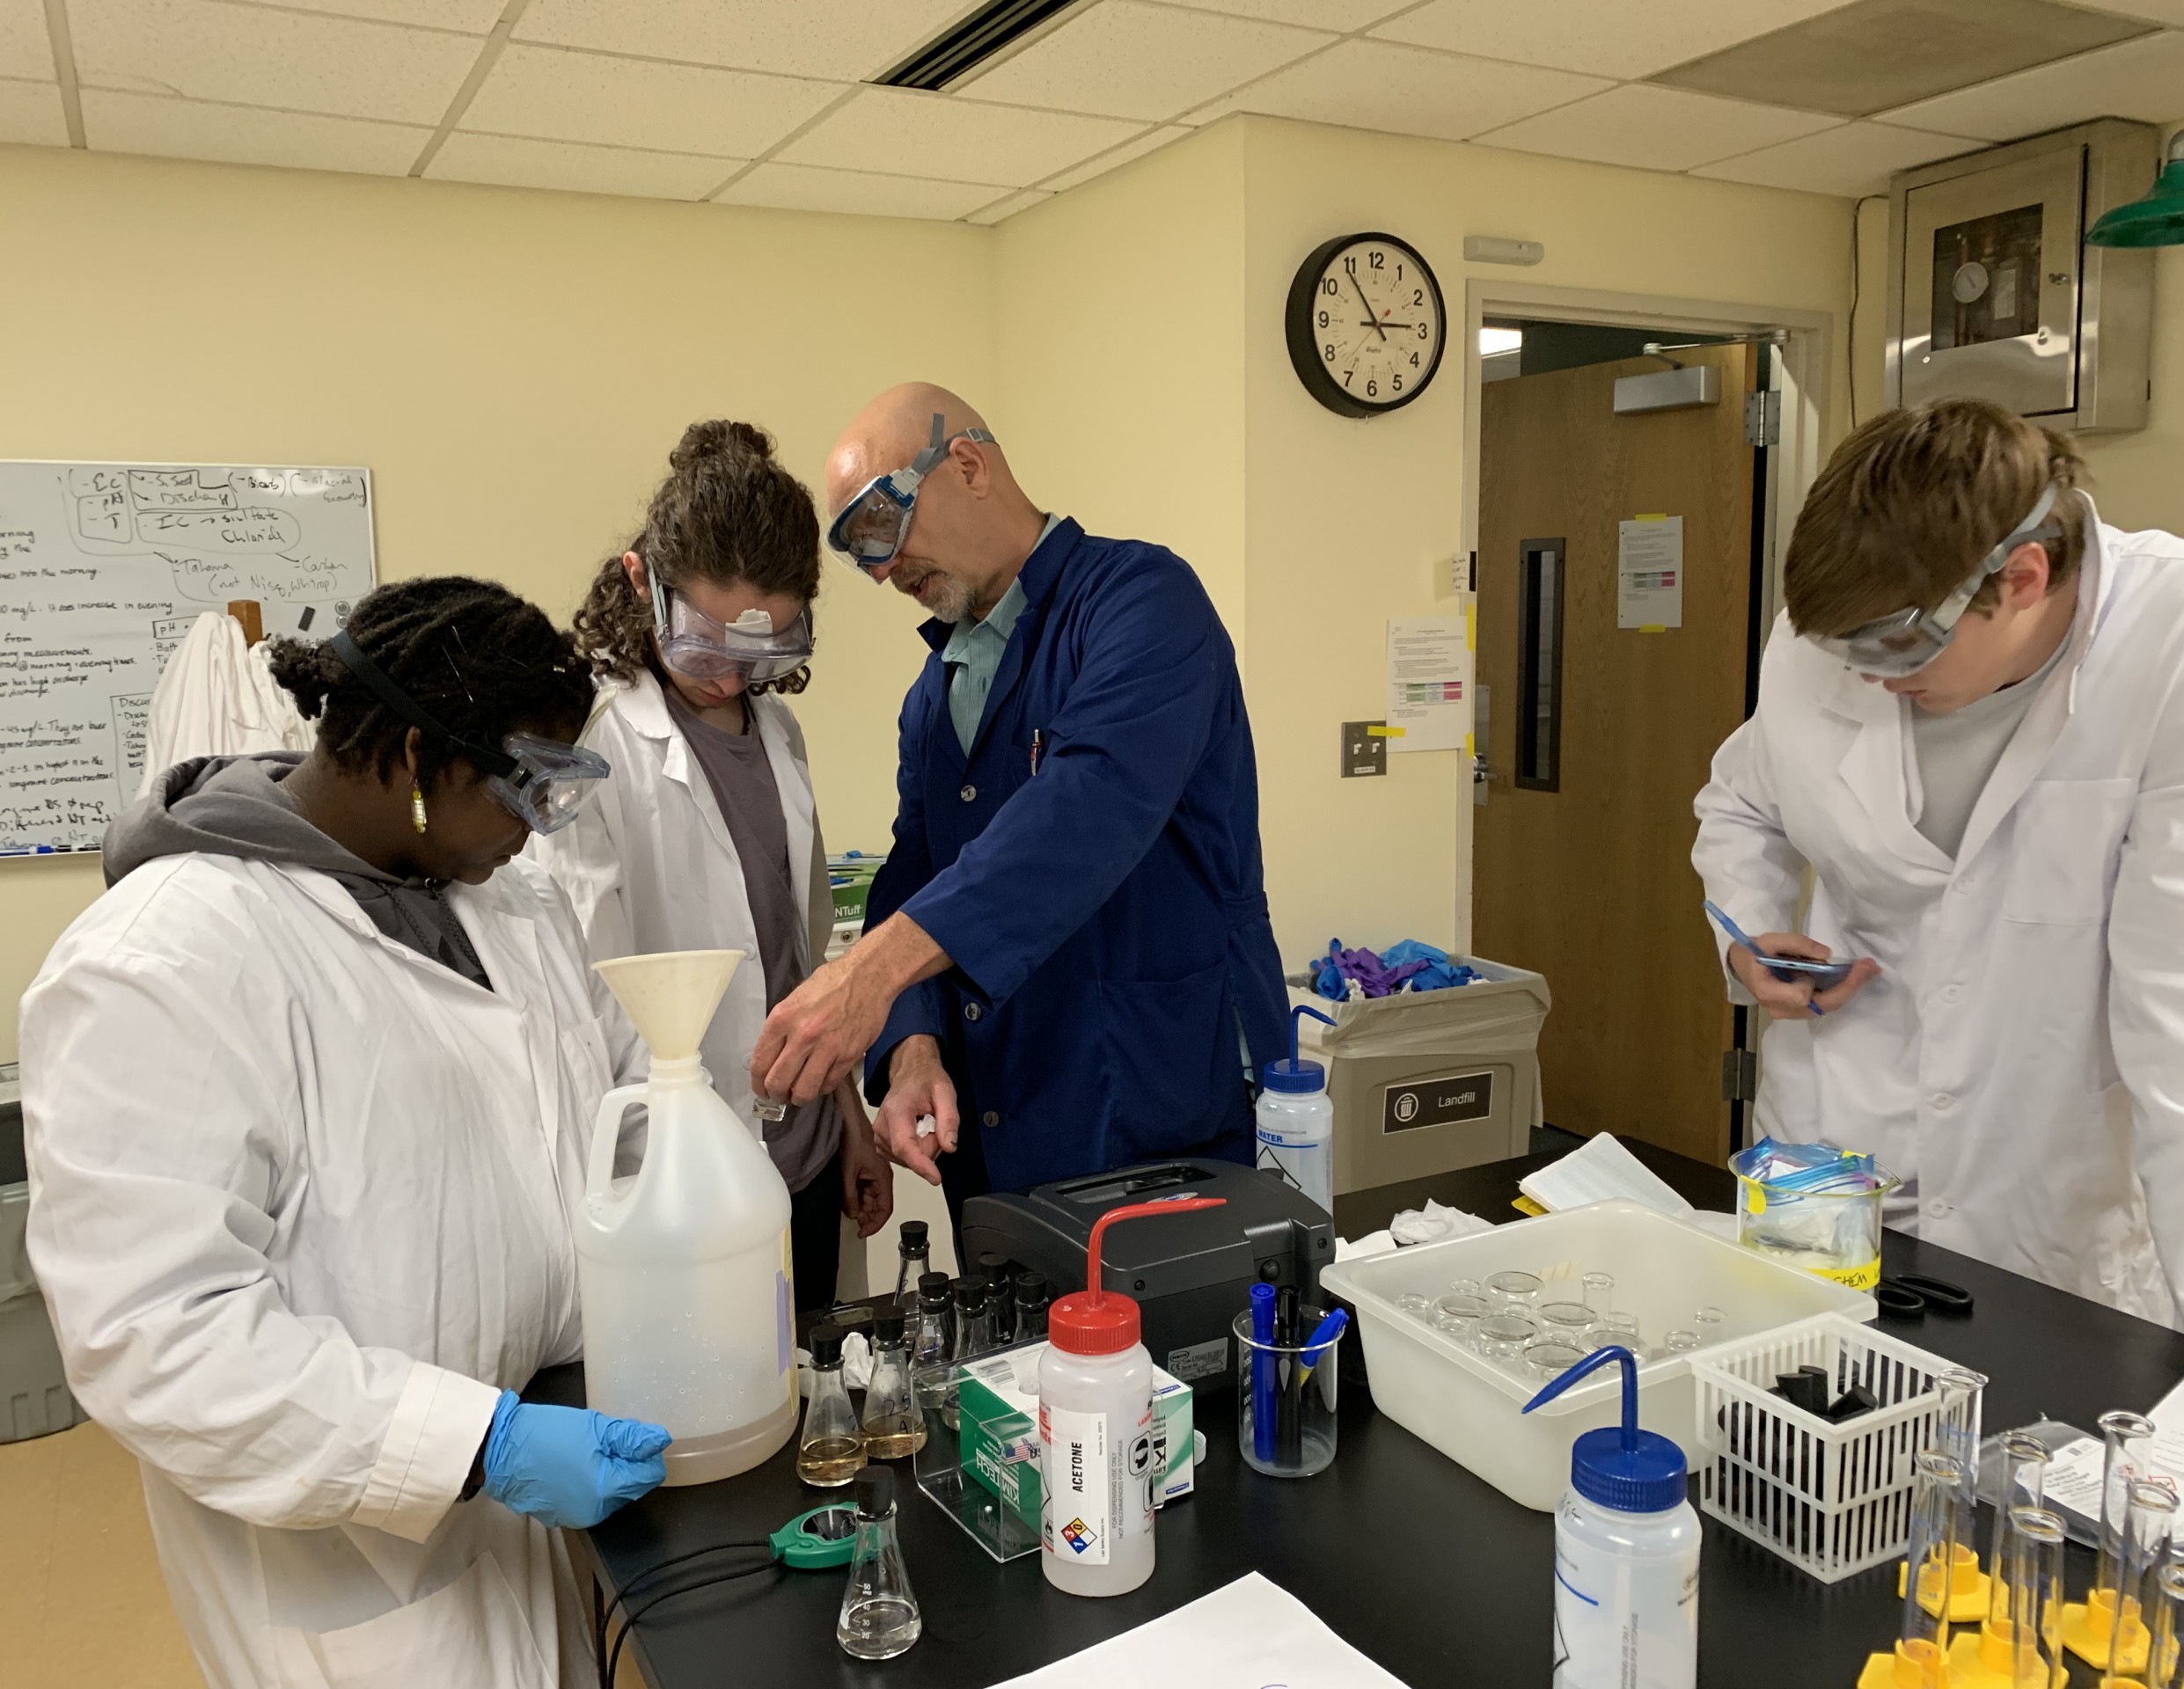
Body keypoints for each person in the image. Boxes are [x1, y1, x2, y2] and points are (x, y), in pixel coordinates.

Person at [23, 579, 672, 1689]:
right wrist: (475, 1445)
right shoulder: (161, 962)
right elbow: (157, 1335)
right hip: (351, 1553)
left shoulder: (507, 902)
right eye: (523, 790)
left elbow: (612, 1089)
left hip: (547, 1465)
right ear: (416, 759)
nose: (538, 832)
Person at [1691, 398, 2184, 1408]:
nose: (1868, 676)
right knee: (1797, 1433)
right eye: (1846, 653)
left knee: (2017, 1465)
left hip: (2042, 1164)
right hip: (1832, 1135)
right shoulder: (1833, 634)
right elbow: (1741, 800)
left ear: (2023, 576)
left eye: (1899, 649)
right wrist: (1745, 935)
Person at [750, 382, 1290, 1215]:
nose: (885, 568)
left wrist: (870, 972)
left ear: (965, 464)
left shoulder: (1141, 602)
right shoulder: (935, 695)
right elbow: (918, 871)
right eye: (860, 554)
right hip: (1003, 1127)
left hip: (1158, 1105)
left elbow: (1084, 811)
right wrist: (914, 1046)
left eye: (882, 527)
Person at [533, 418, 891, 1311]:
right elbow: (593, 1001)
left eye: (761, 651)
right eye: (706, 646)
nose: (731, 680)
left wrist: (849, 1121)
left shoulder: (779, 734)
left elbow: (797, 956)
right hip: (679, 1177)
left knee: (814, 1401)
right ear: (639, 582)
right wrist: (659, 1188)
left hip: (804, 1152)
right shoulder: (588, 742)